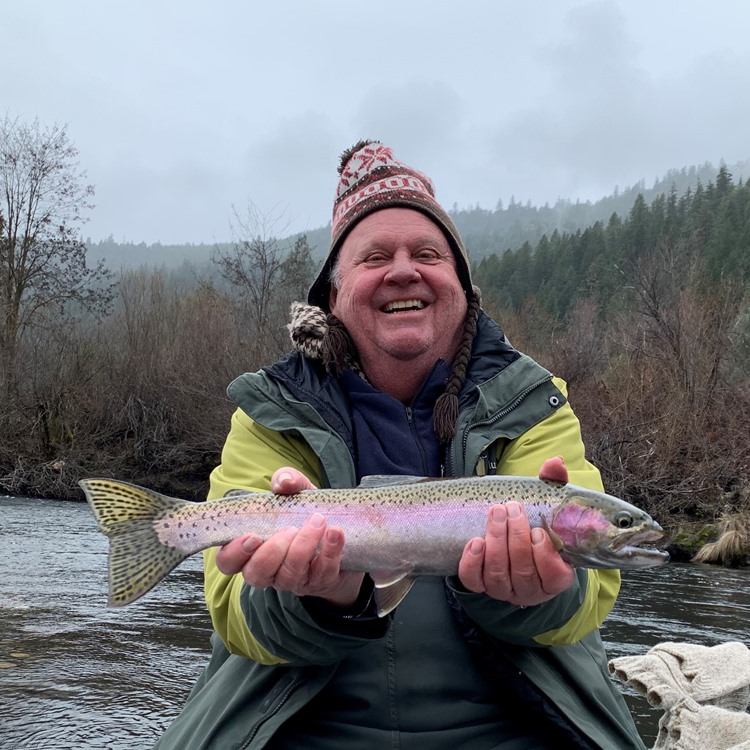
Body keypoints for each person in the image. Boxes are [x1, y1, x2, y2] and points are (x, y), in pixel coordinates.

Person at [155, 140, 646, 749]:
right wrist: (323, 598)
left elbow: (588, 603)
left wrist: (542, 596)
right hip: (298, 727)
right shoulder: (270, 410)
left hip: (513, 726)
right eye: (375, 256)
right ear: (333, 297)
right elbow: (233, 613)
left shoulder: (531, 402)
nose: (404, 270)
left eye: (428, 253)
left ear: (462, 289)